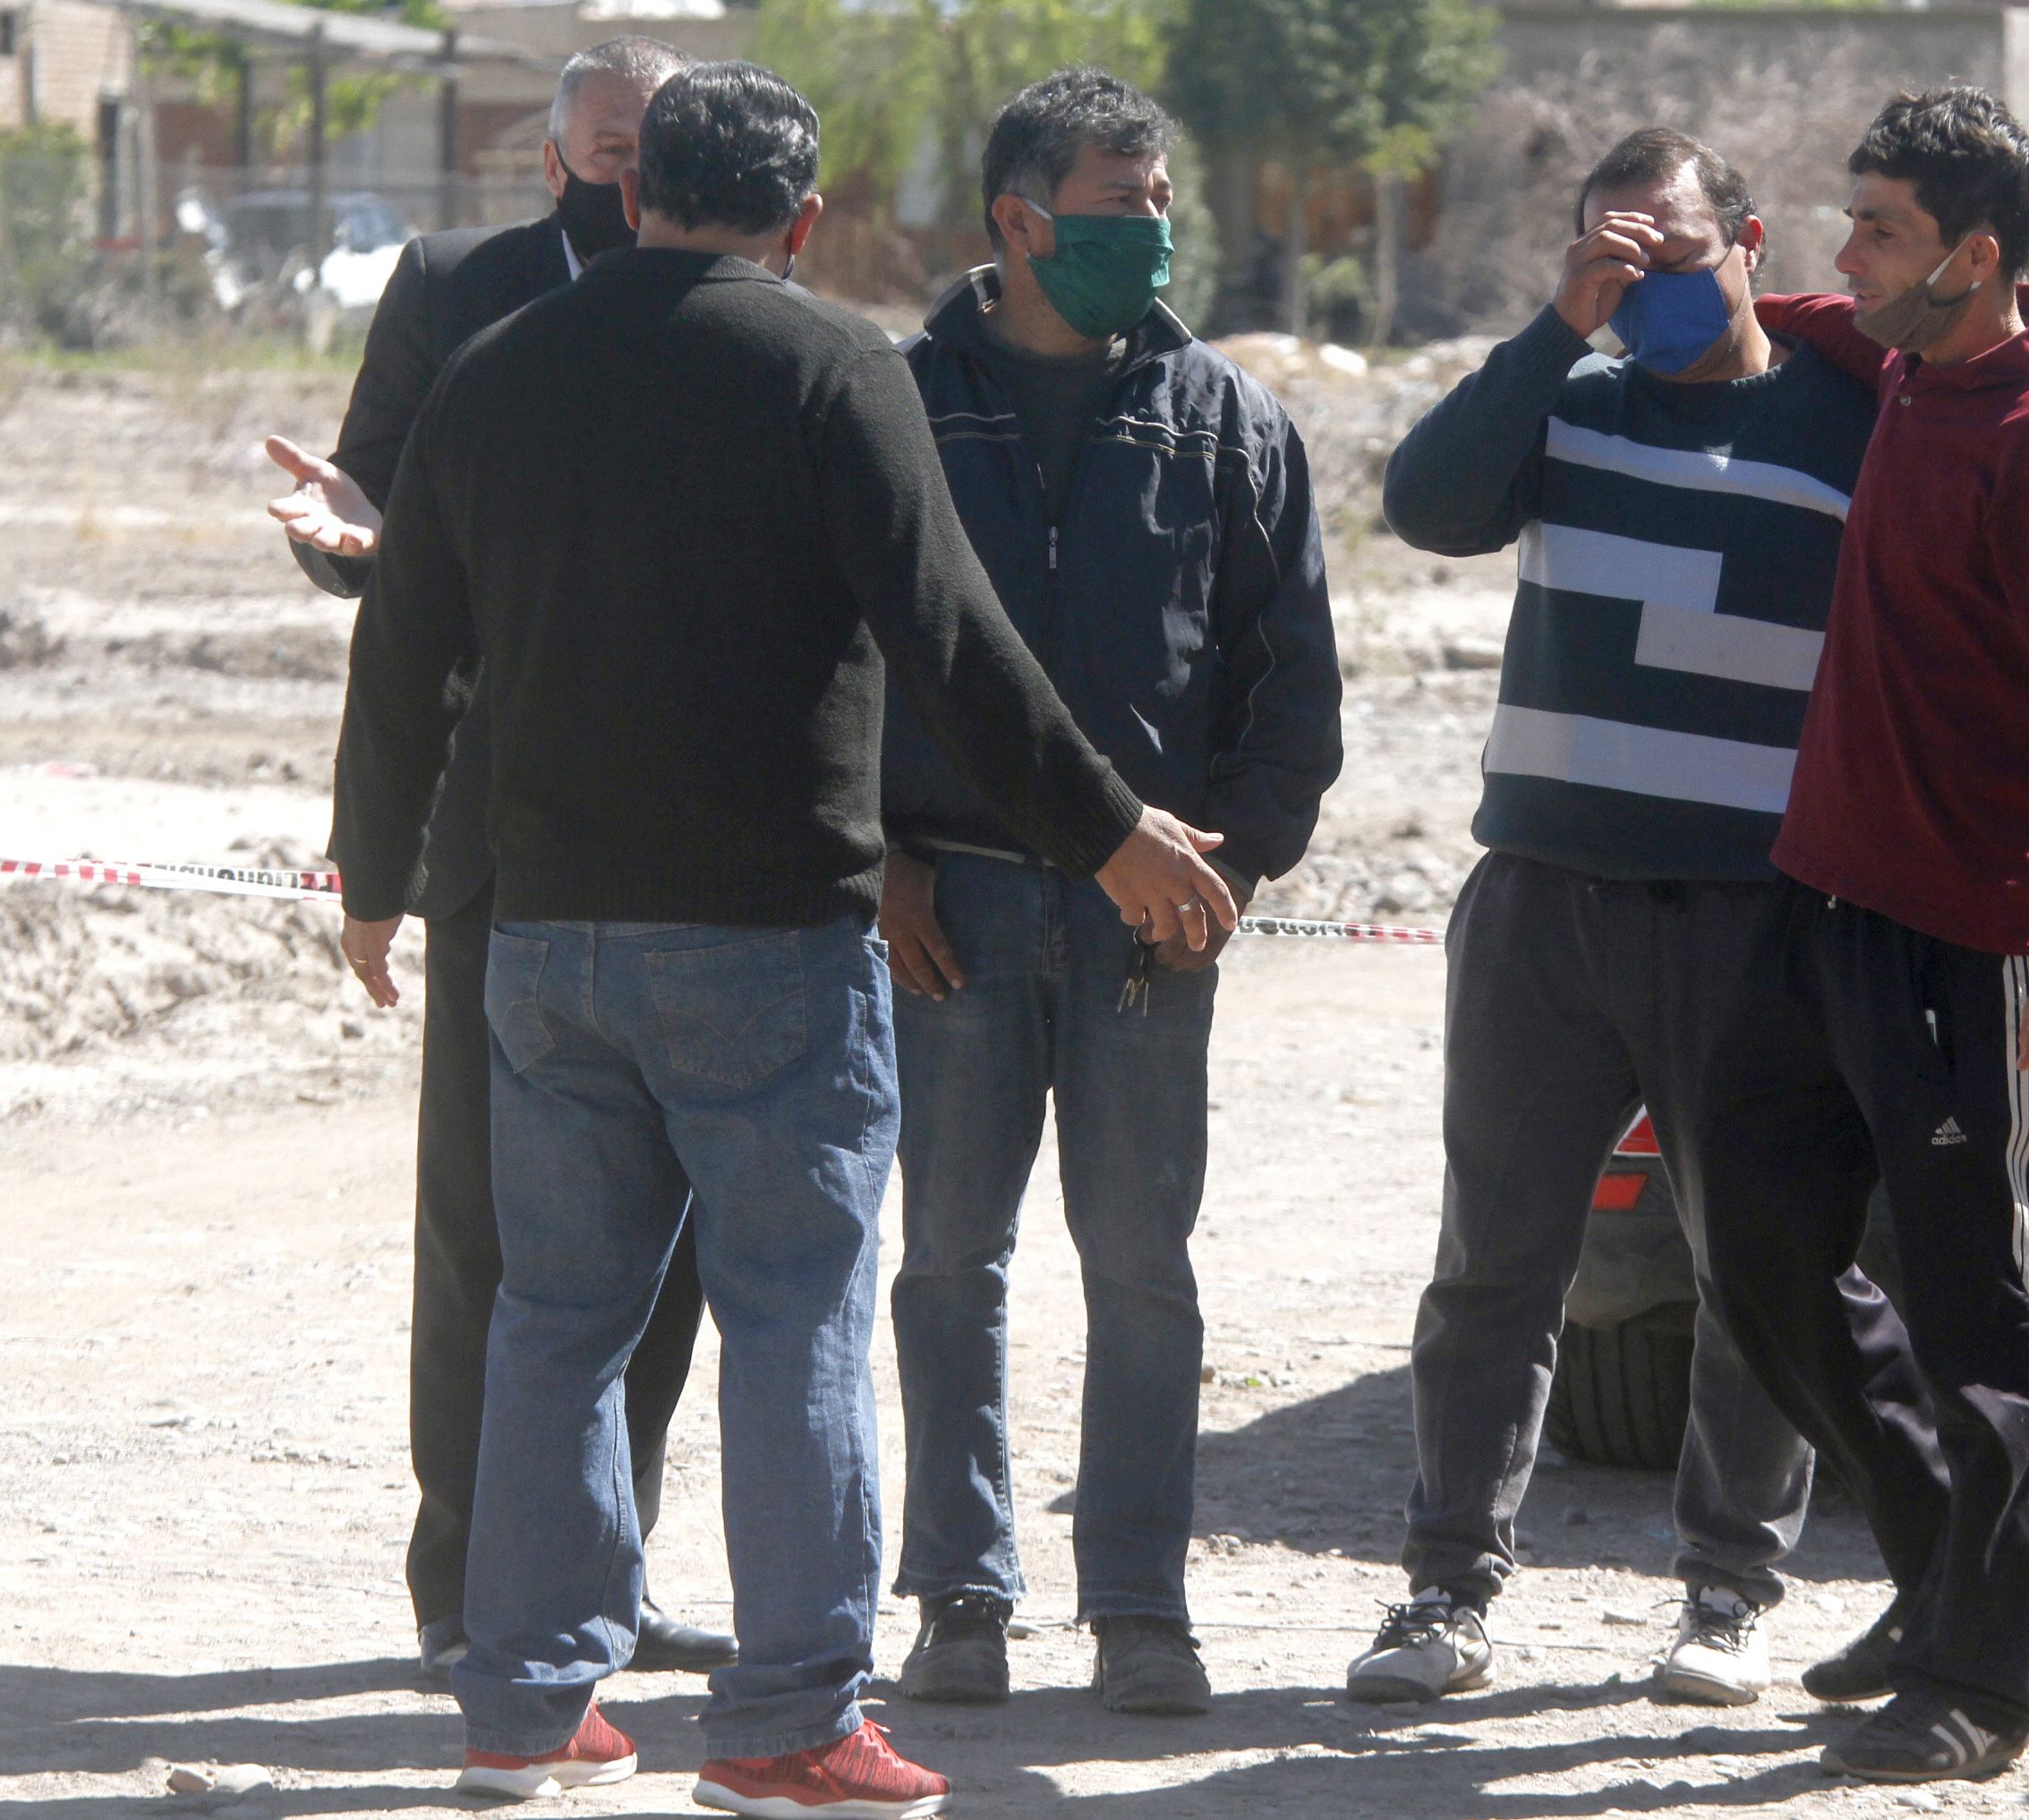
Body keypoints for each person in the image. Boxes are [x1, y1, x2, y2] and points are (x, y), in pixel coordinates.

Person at [329, 61, 1238, 1815]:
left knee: (554, 1316)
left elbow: (405, 648)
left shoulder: (496, 369)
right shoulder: (832, 367)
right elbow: (953, 640)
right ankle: (788, 1721)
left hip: (545, 938)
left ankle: (522, 1704)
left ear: (634, 191)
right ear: (804, 220)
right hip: (767, 944)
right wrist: (1110, 830)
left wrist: (375, 876)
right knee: (794, 1315)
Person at [1340, 129, 1884, 1710]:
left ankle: (1727, 1594)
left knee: (1755, 1267)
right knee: (1495, 1264)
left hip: (1753, 917)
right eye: (1609, 256)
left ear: (1751, 245)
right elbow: (1427, 506)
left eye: (1670, 257)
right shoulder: (1567, 400)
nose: (1642, 289)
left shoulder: (1850, 422)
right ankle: (1446, 1590)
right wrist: (1555, 327)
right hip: (1545, 905)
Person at [1691, 88, 2029, 1784]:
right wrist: (1704, 274)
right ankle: (1931, 1563)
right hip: (1820, 913)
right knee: (1756, 1244)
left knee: (1981, 1329)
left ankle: (1981, 1680)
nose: (1850, 256)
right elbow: (1817, 318)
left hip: (1968, 954)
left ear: (1973, 256)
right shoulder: (1907, 365)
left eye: (1879, 230)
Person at [261, 35, 735, 1682]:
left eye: (658, 149)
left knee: (662, 1248)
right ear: (554, 162)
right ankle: (466, 1579)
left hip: (688, 843)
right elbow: (375, 521)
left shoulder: (738, 300)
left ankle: (611, 1564)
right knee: (483, 1233)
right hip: (494, 837)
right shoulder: (459, 287)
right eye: (610, 151)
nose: (635, 177)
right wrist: (348, 540)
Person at [875, 67, 1342, 1718]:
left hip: (1153, 928)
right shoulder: (900, 406)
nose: (1153, 233)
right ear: (1018, 220)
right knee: (948, 1258)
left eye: (1160, 204)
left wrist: (1236, 867)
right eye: (1118, 206)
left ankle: (1142, 1606)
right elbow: (822, 655)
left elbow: (1293, 684)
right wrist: (880, 858)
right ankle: (961, 1598)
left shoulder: (1227, 421)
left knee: (1143, 1266)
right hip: (951, 914)